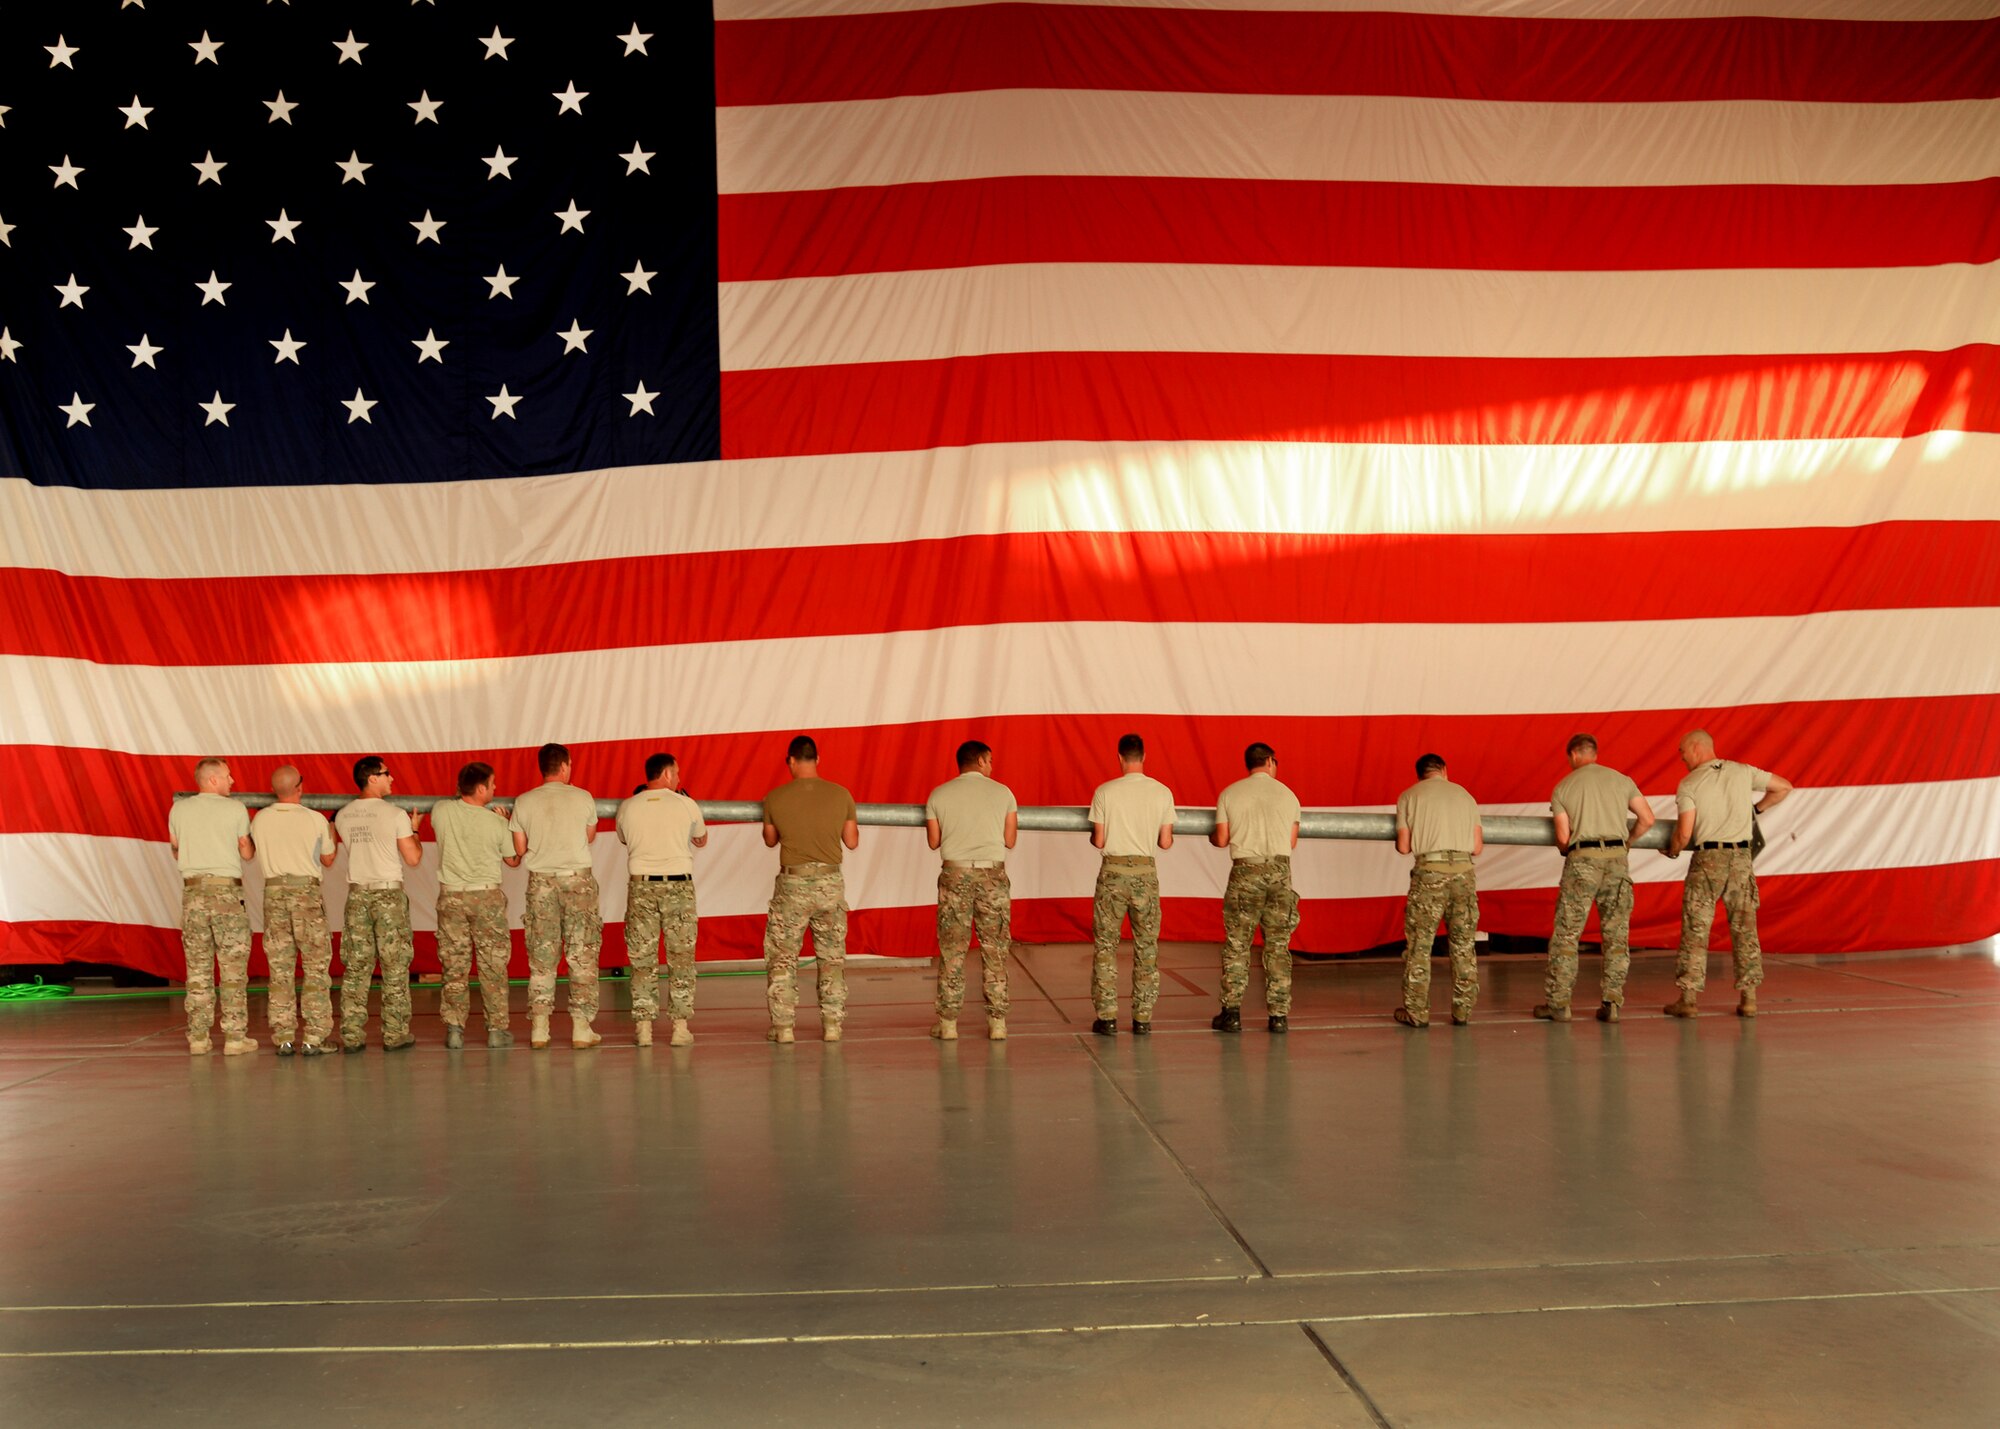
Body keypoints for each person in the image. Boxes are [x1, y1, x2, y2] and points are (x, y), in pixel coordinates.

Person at [1663, 730, 1794, 1018]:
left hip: (1709, 859)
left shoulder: (1689, 783)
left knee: (1696, 929)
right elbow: (1784, 786)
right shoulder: (1742, 771)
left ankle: (1688, 999)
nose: (1682, 756)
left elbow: (1684, 833)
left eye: (1683, 750)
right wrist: (1754, 810)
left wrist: (1672, 850)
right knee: (1745, 929)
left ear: (1696, 748)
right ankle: (1749, 999)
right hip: (1741, 859)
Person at [1535, 735, 1657, 1025]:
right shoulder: (1622, 780)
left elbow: (1563, 838)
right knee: (1616, 936)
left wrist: (1568, 848)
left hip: (1582, 862)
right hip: (1616, 860)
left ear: (1574, 755)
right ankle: (1612, 1003)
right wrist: (1627, 842)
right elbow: (1648, 819)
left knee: (1567, 934)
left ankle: (1560, 1005)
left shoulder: (1564, 787)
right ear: (1594, 753)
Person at [760, 735, 859, 1044]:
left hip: (792, 884)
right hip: (830, 883)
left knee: (783, 958)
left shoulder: (774, 797)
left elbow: (770, 839)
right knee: (831, 958)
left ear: (791, 761)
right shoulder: (841, 794)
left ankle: (785, 1027)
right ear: (818, 760)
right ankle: (831, 1025)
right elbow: (852, 841)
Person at [510, 743, 603, 1049]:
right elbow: (588, 837)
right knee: (582, 955)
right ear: (564, 766)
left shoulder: (523, 801)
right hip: (578, 881)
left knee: (541, 958)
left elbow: (519, 849)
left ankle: (539, 1028)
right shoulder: (583, 797)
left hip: (541, 884)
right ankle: (581, 1028)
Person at [924, 740, 1017, 1041]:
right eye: (990, 760)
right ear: (979, 760)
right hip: (992, 875)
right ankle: (997, 1022)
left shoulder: (938, 794)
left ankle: (949, 1023)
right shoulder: (1003, 793)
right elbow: (1010, 839)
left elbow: (934, 841)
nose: (992, 766)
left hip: (955, 874)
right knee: (995, 950)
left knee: (952, 950)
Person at [1087, 733, 1176, 1036]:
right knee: (1147, 947)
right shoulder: (1162, 792)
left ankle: (1108, 1016)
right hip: (1145, 875)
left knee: (1105, 947)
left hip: (1112, 874)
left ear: (1120, 758)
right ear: (1144, 756)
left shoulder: (1104, 792)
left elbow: (1098, 840)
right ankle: (1142, 1017)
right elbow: (1165, 842)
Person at [1209, 742, 1301, 1034]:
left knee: (1238, 943)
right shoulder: (1289, 795)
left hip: (1245, 871)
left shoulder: (1230, 793)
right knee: (1277, 946)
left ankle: (1232, 1012)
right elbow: (1291, 842)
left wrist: (1213, 836)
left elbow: (1222, 840)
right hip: (1279, 872)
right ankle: (1278, 1015)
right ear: (1271, 762)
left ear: (1248, 763)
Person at [616, 752, 708, 1047]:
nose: (679, 778)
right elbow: (701, 839)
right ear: (667, 774)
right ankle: (679, 1028)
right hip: (678, 887)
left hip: (641, 887)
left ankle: (644, 1028)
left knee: (642, 959)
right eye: (677, 773)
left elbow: (623, 838)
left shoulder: (628, 806)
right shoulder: (686, 804)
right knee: (681, 958)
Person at [430, 761, 521, 1050]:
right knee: (493, 966)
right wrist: (506, 824)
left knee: (454, 966)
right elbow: (513, 860)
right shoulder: (496, 822)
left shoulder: (441, 811)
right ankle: (496, 1030)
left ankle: (455, 1030)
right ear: (481, 788)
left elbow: (455, 802)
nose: (496, 789)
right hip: (486, 898)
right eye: (492, 784)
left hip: (452, 897)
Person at [334, 757, 423, 1051]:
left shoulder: (343, 816)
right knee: (394, 965)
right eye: (386, 774)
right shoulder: (395, 814)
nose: (392, 778)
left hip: (357, 894)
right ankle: (395, 1033)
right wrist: (416, 830)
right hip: (387, 896)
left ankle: (351, 1034)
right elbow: (413, 859)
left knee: (356, 966)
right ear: (372, 778)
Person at [168, 758, 256, 1056]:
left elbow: (175, 847)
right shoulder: (235, 809)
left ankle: (198, 1038)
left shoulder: (178, 809)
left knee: (198, 969)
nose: (233, 781)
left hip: (192, 895)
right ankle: (234, 1038)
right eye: (229, 776)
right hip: (226, 894)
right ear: (213, 780)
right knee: (232, 969)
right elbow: (246, 851)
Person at [251, 765, 338, 1056]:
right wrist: (332, 832)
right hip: (306, 895)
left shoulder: (259, 819)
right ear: (300, 787)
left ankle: (284, 1036)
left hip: (273, 894)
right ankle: (314, 1036)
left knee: (280, 969)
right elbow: (328, 859)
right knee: (315, 967)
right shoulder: (315, 819)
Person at [1393, 753, 1483, 1027]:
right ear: (1444, 770)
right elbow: (1477, 847)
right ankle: (1463, 1010)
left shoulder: (1409, 797)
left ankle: (1417, 1012)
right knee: (1464, 945)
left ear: (1418, 774)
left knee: (1420, 945)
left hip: (1430, 873)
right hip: (1464, 874)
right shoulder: (1465, 796)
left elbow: (1404, 846)